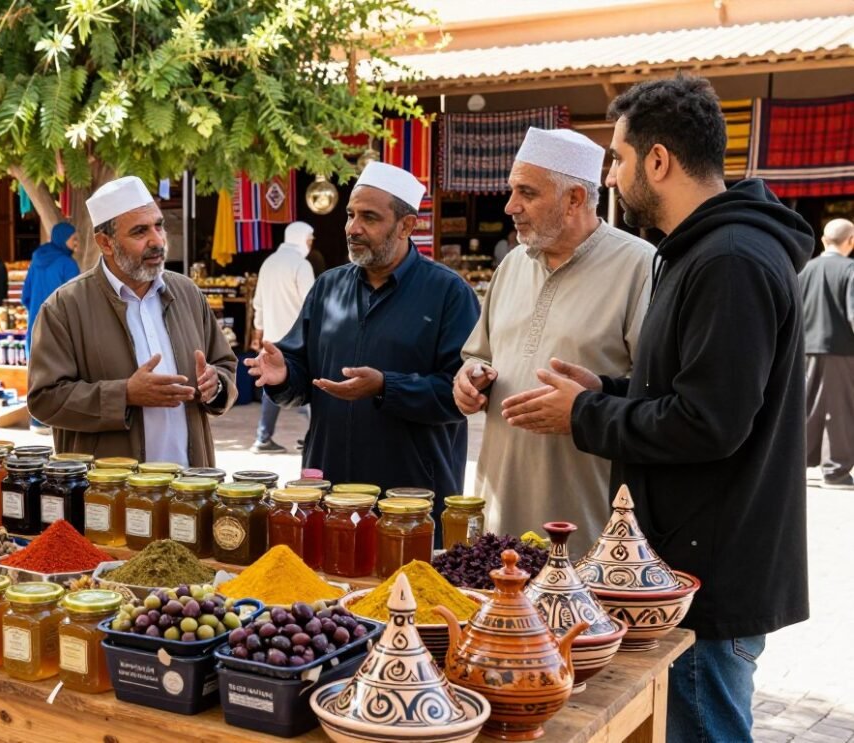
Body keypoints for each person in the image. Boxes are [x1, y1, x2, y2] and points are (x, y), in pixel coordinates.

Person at [500, 75, 811, 743]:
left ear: (659, 160)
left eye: (617, 157)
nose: (611, 173)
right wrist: (605, 392)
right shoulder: (700, 251)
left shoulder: (730, 259)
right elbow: (685, 390)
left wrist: (582, 416)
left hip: (712, 577)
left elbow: (709, 423)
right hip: (683, 566)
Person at [246, 161, 480, 524]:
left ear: (406, 226)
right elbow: (302, 375)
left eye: (369, 217)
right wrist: (283, 377)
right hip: (331, 490)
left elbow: (460, 396)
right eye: (350, 215)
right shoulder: (328, 287)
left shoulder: (449, 293)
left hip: (411, 495)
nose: (353, 228)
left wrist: (387, 387)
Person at [454, 127, 654, 546]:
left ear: (575, 199)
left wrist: (588, 404)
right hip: (499, 510)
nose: (511, 206)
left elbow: (656, 393)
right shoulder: (512, 264)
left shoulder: (640, 267)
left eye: (527, 192)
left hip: (585, 518)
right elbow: (479, 356)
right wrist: (470, 380)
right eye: (512, 191)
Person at [28, 176, 238, 465]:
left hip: (191, 486)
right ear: (105, 243)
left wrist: (217, 385)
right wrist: (124, 394)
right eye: (140, 232)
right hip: (110, 493)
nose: (157, 240)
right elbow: (44, 399)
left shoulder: (187, 293)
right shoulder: (64, 307)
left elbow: (225, 364)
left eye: (159, 225)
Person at [250, 221, 316, 453]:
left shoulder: (269, 263)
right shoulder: (301, 265)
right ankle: (315, 438)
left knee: (273, 384)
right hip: (298, 340)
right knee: (311, 384)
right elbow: (312, 304)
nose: (310, 243)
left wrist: (258, 332)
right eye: (309, 239)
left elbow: (258, 303)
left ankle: (263, 437)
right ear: (300, 238)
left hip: (272, 338)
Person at [800, 218, 854, 487]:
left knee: (807, 406)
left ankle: (798, 464)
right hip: (840, 349)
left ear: (822, 240)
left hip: (805, 347)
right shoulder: (850, 270)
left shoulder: (805, 269)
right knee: (838, 408)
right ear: (851, 240)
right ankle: (836, 471)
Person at [21, 221, 79, 349]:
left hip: (36, 324)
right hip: (59, 328)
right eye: (73, 239)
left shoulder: (36, 261)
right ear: (63, 239)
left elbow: (26, 295)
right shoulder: (68, 264)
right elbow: (75, 299)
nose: (76, 242)